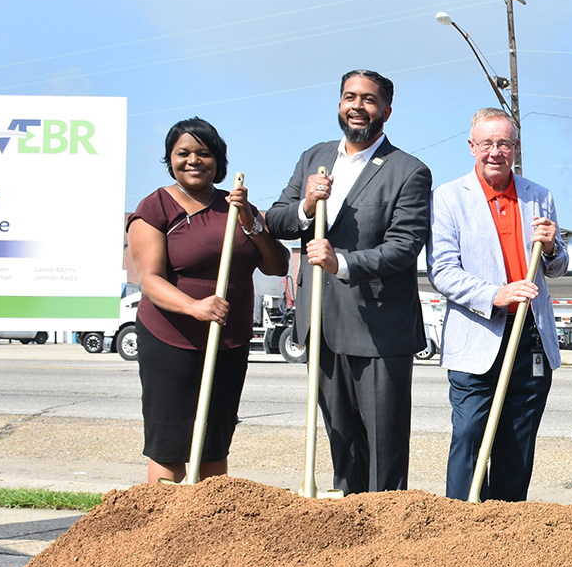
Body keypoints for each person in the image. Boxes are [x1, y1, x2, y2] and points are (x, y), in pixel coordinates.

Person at [266, 70, 432, 494]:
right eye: (349, 97)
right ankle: (349, 530)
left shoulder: (408, 171)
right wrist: (306, 204)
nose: (357, 106)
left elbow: (403, 247)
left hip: (378, 329)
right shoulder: (314, 157)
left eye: (369, 99)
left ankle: (388, 537)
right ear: (339, 104)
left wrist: (340, 262)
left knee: (383, 448)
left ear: (386, 111)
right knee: (343, 447)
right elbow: (277, 219)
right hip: (321, 322)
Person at [127, 118, 290, 484]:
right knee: (171, 444)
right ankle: (163, 529)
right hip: (171, 340)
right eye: (183, 153)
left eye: (204, 153)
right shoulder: (156, 207)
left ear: (219, 160)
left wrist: (252, 221)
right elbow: (150, 280)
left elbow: (277, 264)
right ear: (170, 159)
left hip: (228, 342)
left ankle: (207, 530)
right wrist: (194, 307)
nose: (193, 160)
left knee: (214, 443)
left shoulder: (234, 207)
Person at [428, 109, 569, 501]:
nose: (495, 152)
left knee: (517, 443)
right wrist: (495, 294)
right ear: (472, 146)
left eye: (504, 143)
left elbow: (556, 267)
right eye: (487, 143)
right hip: (477, 335)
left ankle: (505, 529)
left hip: (529, 337)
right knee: (471, 434)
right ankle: (459, 526)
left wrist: (555, 245)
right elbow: (442, 271)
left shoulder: (540, 196)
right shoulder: (448, 198)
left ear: (516, 148)